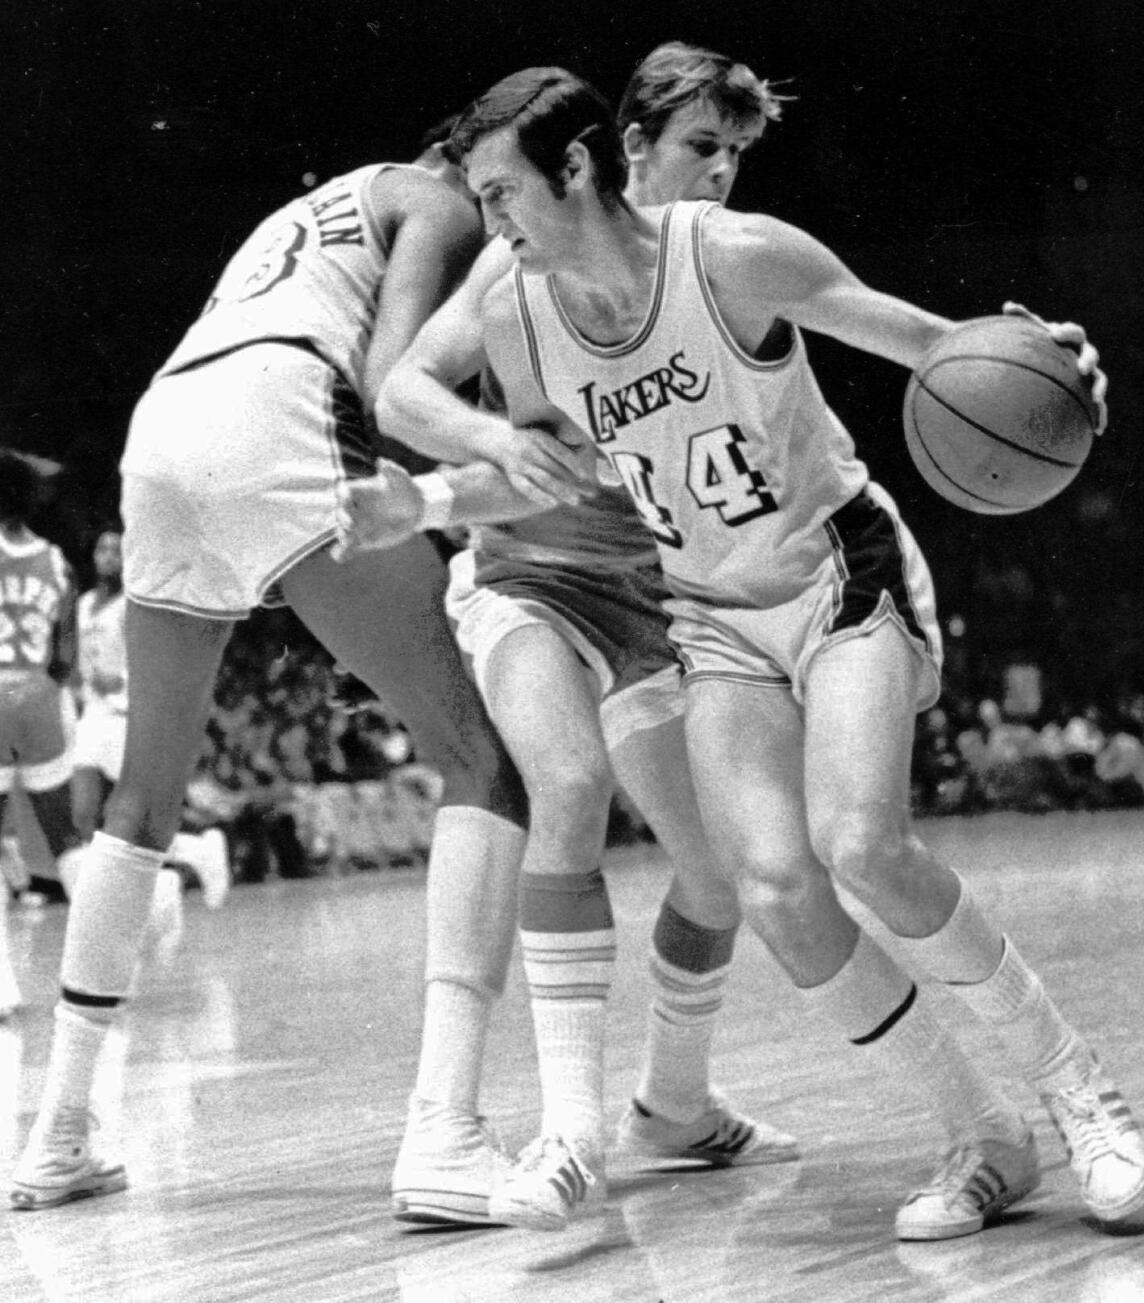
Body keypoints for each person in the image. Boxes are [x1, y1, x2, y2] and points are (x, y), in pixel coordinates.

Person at [369, 66, 1144, 1240]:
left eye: (500, 194)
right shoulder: (519, 315)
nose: (492, 223)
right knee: (777, 890)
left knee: (863, 847)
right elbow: (476, 434)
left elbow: (942, 348)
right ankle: (983, 1136)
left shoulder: (734, 255)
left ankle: (1081, 1090)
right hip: (710, 613)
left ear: (575, 169)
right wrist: (445, 489)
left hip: (837, 570)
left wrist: (1060, 367)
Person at [8, 136, 576, 1210]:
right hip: (280, 412)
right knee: (483, 762)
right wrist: (484, 471)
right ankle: (444, 1137)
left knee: (141, 797)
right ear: (472, 161)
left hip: (165, 430)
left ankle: (59, 1132)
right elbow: (386, 381)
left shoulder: (321, 208)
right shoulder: (440, 205)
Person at [377, 44, 801, 1232]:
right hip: (527, 581)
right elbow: (404, 390)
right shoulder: (527, 265)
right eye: (696, 150)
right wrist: (492, 442)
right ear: (623, 154)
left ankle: (674, 1107)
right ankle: (569, 1134)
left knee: (720, 875)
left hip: (661, 603)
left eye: (731, 154)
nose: (718, 175)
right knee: (563, 783)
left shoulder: (726, 268)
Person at [72, 527, 231, 927]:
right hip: (92, 717)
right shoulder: (84, 604)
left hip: (129, 715)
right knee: (84, 816)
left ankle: (187, 861)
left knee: (124, 819)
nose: (108, 556)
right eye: (101, 548)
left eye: (116, 550)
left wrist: (122, 681)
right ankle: (185, 861)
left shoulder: (137, 604)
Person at [0, 450, 86, 1017]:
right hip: (42, 699)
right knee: (66, 841)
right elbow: (65, 653)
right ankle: (97, 974)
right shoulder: (57, 562)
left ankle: (3, 992)